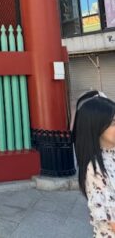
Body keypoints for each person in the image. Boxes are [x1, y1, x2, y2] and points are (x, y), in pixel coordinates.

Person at [73, 92, 115, 237]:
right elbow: (112, 220)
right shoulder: (94, 169)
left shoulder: (112, 152)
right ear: (97, 127)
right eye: (114, 123)